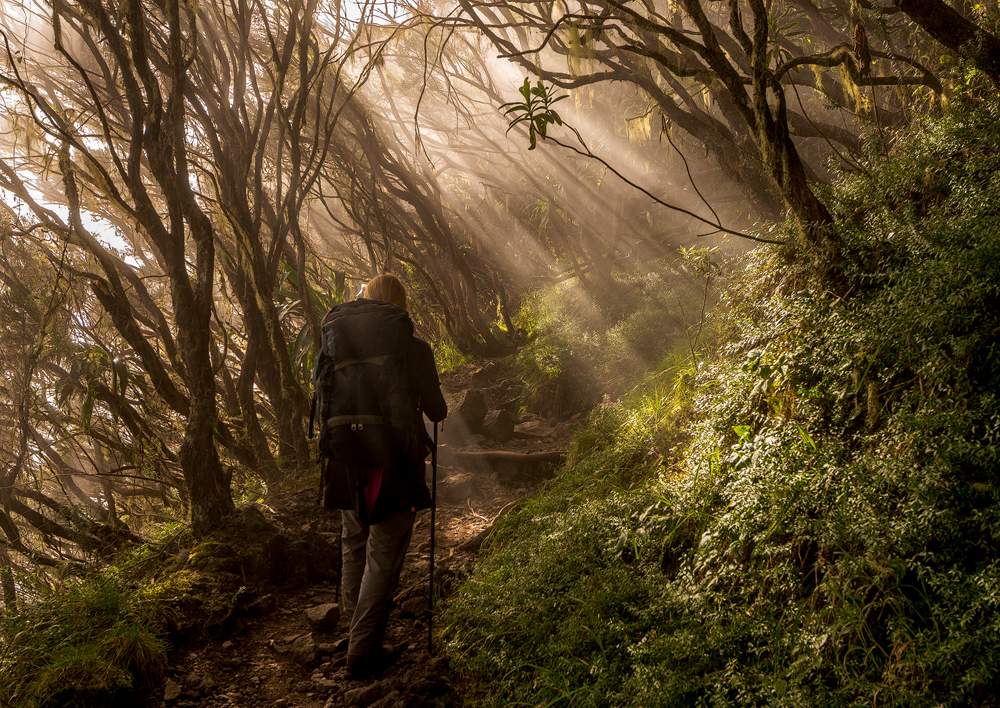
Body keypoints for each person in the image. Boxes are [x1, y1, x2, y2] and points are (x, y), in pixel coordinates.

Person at [320, 273, 447, 680]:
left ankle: (354, 630)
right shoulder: (412, 347)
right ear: (400, 304)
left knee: (355, 543)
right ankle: (362, 650)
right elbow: (438, 411)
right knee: (383, 554)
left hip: (344, 462)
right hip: (394, 463)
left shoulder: (334, 343)